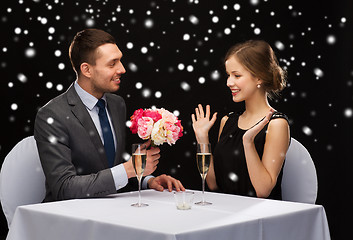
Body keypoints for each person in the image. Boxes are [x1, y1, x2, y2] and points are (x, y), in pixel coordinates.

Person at [34, 28, 184, 202]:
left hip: (112, 212)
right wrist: (129, 169)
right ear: (87, 70)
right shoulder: (52, 115)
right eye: (112, 64)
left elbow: (110, 168)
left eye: (120, 61)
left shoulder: (116, 104)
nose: (122, 69)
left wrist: (147, 180)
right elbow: (64, 188)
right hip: (69, 219)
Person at [191, 40, 290, 200]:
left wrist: (248, 142)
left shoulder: (277, 124)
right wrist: (202, 138)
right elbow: (213, 184)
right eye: (228, 75)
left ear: (259, 77)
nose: (229, 82)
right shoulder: (227, 121)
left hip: (259, 218)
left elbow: (263, 191)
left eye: (237, 75)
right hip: (225, 211)